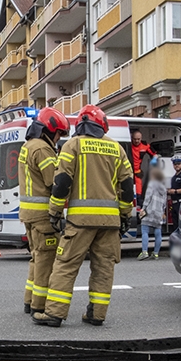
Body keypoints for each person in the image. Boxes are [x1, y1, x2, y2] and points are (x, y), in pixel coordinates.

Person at [32, 105, 136, 328]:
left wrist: (55, 211)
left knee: (66, 264)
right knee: (104, 267)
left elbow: (61, 183)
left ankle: (54, 314)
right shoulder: (117, 149)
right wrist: (126, 214)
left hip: (80, 221)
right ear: (102, 125)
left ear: (80, 124)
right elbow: (128, 186)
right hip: (110, 223)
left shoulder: (73, 145)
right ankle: (96, 314)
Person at [19, 107, 68, 314]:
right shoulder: (43, 149)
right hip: (43, 216)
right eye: (59, 134)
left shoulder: (28, 146)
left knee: (36, 258)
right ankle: (40, 305)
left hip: (29, 215)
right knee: (46, 261)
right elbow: (53, 181)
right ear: (50, 130)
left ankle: (29, 301)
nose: (58, 139)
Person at [138, 165, 167, 260]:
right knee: (158, 233)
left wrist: (143, 208)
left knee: (145, 231)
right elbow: (164, 203)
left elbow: (147, 198)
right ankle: (156, 253)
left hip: (150, 210)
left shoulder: (152, 184)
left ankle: (144, 252)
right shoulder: (164, 188)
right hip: (159, 212)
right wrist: (162, 211)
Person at [129, 128, 156, 198]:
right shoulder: (128, 145)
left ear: (141, 138)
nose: (136, 141)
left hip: (137, 172)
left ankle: (139, 204)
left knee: (138, 192)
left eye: (138, 139)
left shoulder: (145, 146)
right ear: (132, 138)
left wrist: (154, 162)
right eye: (135, 139)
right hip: (128, 171)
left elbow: (154, 154)